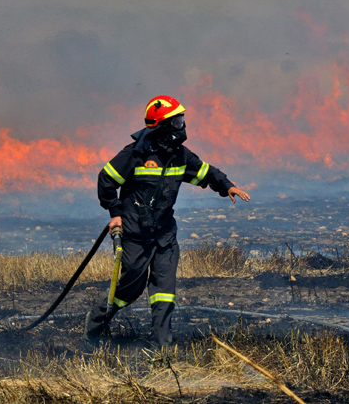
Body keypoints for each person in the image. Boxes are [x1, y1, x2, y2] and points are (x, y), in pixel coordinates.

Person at [85, 95, 251, 347]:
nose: (181, 127)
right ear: (162, 125)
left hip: (164, 235)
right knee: (129, 290)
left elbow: (205, 172)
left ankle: (162, 349)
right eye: (176, 122)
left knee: (164, 293)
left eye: (181, 120)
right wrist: (115, 213)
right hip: (135, 233)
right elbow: (106, 181)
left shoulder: (180, 156)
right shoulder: (134, 155)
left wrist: (227, 186)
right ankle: (96, 323)